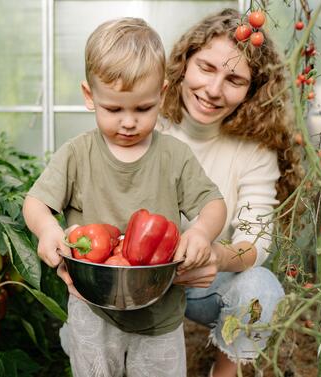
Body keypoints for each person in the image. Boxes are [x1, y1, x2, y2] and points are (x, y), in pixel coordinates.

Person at [22, 17, 227, 377]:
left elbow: (213, 203)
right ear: (90, 96)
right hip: (91, 308)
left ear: (162, 95)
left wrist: (201, 234)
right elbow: (36, 203)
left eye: (143, 109)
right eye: (114, 109)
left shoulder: (174, 156)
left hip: (159, 315)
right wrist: (47, 231)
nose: (128, 122)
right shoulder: (77, 154)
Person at [158, 8, 302, 377]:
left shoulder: (253, 150)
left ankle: (225, 370)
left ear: (251, 92)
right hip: (140, 278)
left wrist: (217, 257)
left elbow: (257, 239)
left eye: (234, 79)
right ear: (185, 63)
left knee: (261, 289)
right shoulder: (147, 120)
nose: (213, 90)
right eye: (206, 68)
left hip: (204, 282)